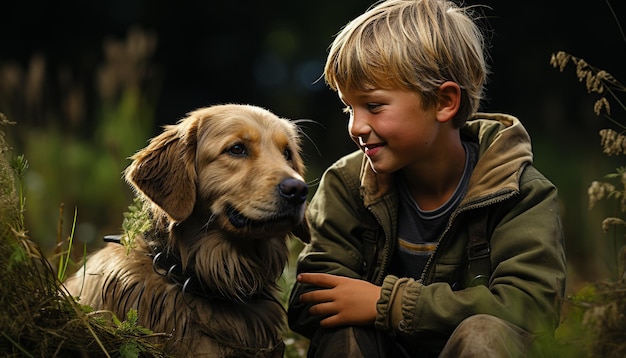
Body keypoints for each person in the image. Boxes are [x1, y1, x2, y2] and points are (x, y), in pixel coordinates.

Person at [287, 0, 567, 357]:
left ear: (443, 102)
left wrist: (388, 304)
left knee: (485, 334)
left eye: (373, 106)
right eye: (348, 107)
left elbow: (531, 306)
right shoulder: (346, 185)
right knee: (343, 332)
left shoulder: (519, 191)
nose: (356, 126)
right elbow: (311, 299)